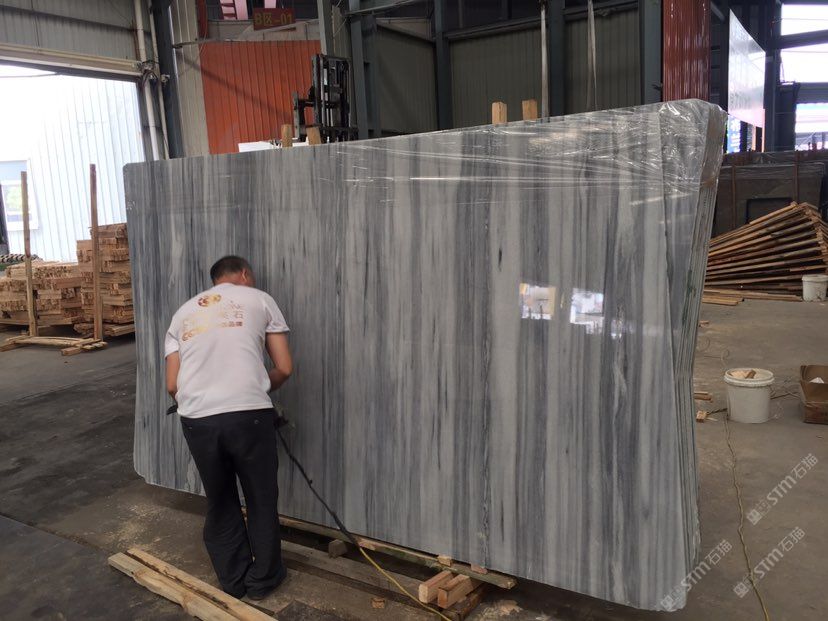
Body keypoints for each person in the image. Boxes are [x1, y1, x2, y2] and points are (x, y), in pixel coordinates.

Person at [164, 255, 293, 600]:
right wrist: (254, 389)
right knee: (261, 497)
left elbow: (172, 385)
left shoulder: (182, 313)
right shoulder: (260, 299)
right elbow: (284, 367)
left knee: (220, 499)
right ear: (245, 274)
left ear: (215, 280)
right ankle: (263, 580)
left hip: (197, 420)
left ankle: (233, 580)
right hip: (249, 415)